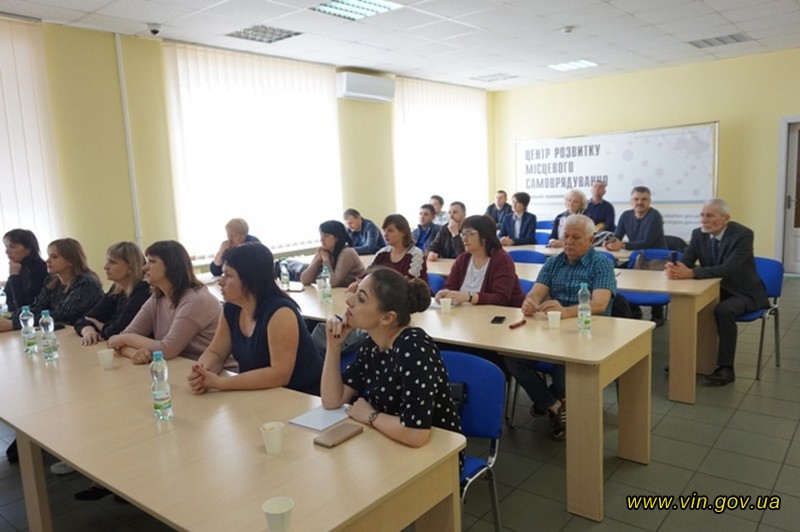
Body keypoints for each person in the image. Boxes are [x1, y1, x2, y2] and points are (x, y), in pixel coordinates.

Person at [321, 268, 462, 460]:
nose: (349, 301)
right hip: (388, 443)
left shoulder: (414, 348)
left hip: (436, 456)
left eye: (361, 298)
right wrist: (334, 345)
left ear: (387, 318)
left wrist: (370, 416)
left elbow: (416, 433)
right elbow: (332, 401)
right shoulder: (372, 344)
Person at [506, 214, 616, 441]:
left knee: (564, 365)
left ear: (590, 240)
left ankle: (552, 401)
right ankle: (553, 404)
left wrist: (566, 311)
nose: (568, 242)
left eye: (576, 237)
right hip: (553, 331)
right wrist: (530, 302)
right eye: (566, 236)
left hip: (587, 331)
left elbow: (600, 304)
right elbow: (536, 292)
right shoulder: (554, 262)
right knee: (512, 356)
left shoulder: (601, 263)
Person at [188, 243, 323, 395]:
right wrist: (201, 372)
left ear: (249, 280)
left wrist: (221, 383)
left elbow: (280, 374)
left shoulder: (280, 312)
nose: (221, 281)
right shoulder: (232, 309)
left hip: (300, 396)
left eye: (228, 275)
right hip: (259, 394)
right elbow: (216, 353)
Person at [665, 199, 768, 385]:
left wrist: (692, 273)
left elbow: (729, 269)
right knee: (689, 305)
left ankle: (726, 368)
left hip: (743, 291)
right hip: (715, 288)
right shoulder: (698, 234)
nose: (704, 220)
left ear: (725, 219)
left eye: (710, 216)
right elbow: (687, 260)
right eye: (702, 215)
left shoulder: (743, 235)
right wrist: (675, 267)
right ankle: (686, 361)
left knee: (723, 310)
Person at [107, 240, 221, 364]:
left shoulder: (195, 300)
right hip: (178, 366)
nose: (144, 268)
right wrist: (133, 353)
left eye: (152, 261)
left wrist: (125, 339)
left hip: (212, 370)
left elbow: (167, 350)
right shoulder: (157, 297)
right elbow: (121, 339)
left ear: (171, 266)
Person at [0, 237, 103, 332]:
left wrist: (13, 324)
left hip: (84, 335)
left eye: (54, 257)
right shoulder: (52, 281)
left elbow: (60, 315)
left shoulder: (86, 283)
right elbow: (37, 306)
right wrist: (12, 318)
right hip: (61, 333)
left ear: (70, 261)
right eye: (49, 256)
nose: (48, 261)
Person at [435, 215, 524, 307]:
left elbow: (501, 298)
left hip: (497, 313)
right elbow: (450, 286)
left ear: (484, 236)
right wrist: (444, 293)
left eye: (469, 234)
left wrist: (469, 297)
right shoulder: (463, 259)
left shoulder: (502, 260)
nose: (464, 239)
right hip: (465, 313)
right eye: (463, 234)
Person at [74, 242, 150, 345]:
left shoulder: (143, 291)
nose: (105, 267)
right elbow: (84, 319)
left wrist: (99, 325)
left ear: (130, 267)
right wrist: (88, 331)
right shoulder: (117, 288)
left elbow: (117, 332)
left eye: (113, 262)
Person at [300, 220, 366, 287]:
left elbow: (332, 283)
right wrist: (318, 259)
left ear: (337, 238)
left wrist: (326, 260)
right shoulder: (324, 251)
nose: (322, 239)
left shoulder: (347, 253)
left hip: (354, 290)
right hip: (338, 291)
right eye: (321, 235)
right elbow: (305, 280)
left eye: (326, 236)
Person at [604, 186, 667, 251]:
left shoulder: (655, 216)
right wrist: (610, 242)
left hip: (657, 254)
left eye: (644, 199)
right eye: (636, 199)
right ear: (631, 201)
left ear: (649, 201)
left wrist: (622, 245)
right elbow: (617, 237)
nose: (640, 202)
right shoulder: (625, 215)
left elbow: (647, 243)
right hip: (636, 253)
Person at [370, 214, 428, 284]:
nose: (385, 235)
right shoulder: (382, 253)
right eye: (384, 231)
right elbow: (368, 274)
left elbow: (408, 282)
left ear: (403, 233)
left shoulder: (416, 254)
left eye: (390, 231)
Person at [3, 229, 48, 313]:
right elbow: (8, 300)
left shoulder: (41, 269)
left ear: (28, 249)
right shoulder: (18, 266)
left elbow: (25, 306)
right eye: (6, 247)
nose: (7, 251)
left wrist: (14, 276)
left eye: (12, 247)